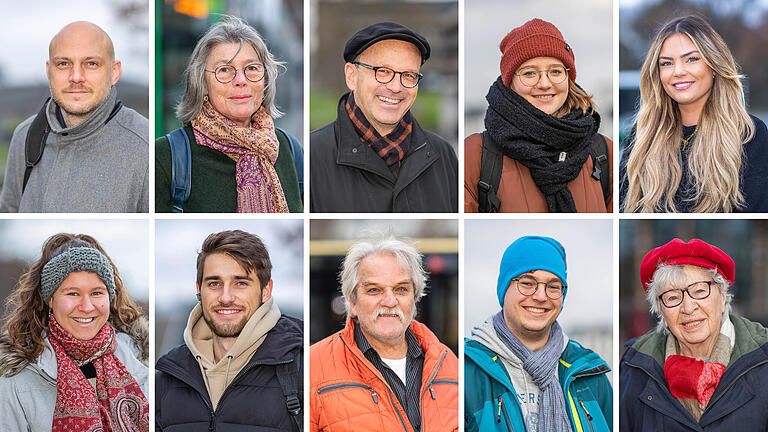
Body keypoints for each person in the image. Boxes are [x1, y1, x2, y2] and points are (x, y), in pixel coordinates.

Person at [155, 230, 303, 431]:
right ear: (199, 289)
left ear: (266, 290)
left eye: (240, 283)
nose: (225, 297)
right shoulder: (166, 378)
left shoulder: (303, 366)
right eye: (214, 283)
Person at [0, 233, 149, 431]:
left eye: (97, 292)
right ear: (51, 300)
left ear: (110, 297)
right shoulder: (17, 384)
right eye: (73, 293)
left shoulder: (142, 365)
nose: (87, 307)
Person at [620, 15, 768, 213]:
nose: (678, 71)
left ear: (714, 66)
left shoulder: (749, 133)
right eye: (666, 63)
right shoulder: (643, 135)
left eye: (691, 59)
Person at [309, 235, 458, 431]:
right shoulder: (313, 365)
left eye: (401, 289)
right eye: (374, 290)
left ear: (414, 299)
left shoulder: (450, 363)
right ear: (352, 302)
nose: (389, 301)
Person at [155, 16, 303, 213]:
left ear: (265, 79)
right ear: (203, 85)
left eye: (251, 68)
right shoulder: (165, 157)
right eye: (224, 70)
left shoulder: (290, 149)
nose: (241, 80)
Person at [465, 236, 612, 431]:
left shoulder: (590, 373)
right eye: (527, 283)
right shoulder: (467, 371)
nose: (541, 296)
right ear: (504, 288)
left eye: (552, 286)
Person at [465, 19, 612, 213]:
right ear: (510, 82)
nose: (544, 83)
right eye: (529, 73)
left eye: (556, 71)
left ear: (568, 78)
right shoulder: (477, 153)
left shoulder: (603, 151)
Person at [0, 21, 149, 213]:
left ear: (114, 72)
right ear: (49, 71)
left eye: (91, 64)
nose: (76, 76)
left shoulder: (145, 148)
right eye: (63, 64)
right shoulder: (24, 136)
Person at [620, 238, 768, 430]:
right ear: (662, 313)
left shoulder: (763, 358)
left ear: (723, 298)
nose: (688, 308)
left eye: (699, 291)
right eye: (672, 297)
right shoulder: (634, 367)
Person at [310, 22, 458, 213]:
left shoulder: (443, 155)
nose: (396, 87)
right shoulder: (313, 157)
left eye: (408, 75)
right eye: (383, 72)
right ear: (351, 76)